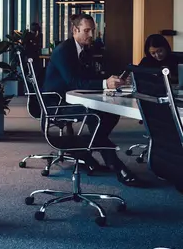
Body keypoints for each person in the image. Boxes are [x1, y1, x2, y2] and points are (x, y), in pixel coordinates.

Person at [42, 13, 144, 187]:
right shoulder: (64, 50)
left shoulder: (85, 50)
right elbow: (73, 81)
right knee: (95, 116)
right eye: (87, 31)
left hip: (74, 98)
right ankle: (116, 164)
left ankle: (82, 150)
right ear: (75, 30)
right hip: (56, 103)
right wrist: (105, 83)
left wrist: (110, 79)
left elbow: (89, 76)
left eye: (93, 31)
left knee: (111, 114)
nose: (91, 35)